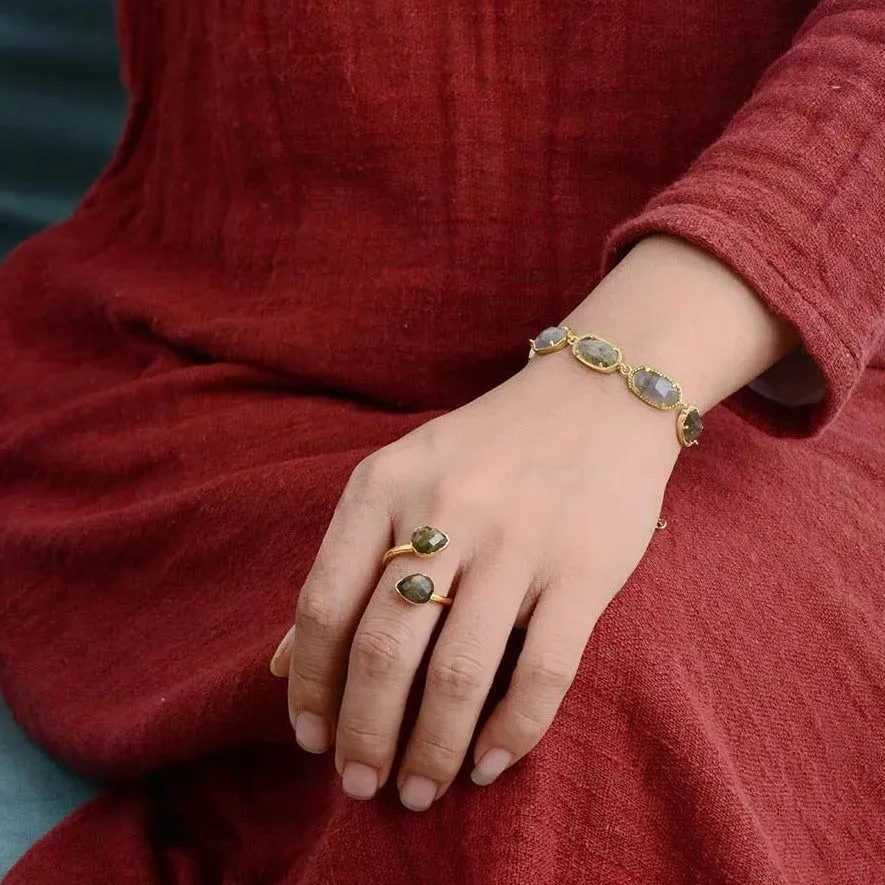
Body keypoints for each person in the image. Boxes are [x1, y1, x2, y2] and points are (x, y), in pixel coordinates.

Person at [0, 0, 883, 881]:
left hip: (790, 372)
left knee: (536, 678)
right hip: (215, 361)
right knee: (438, 672)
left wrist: (619, 381)